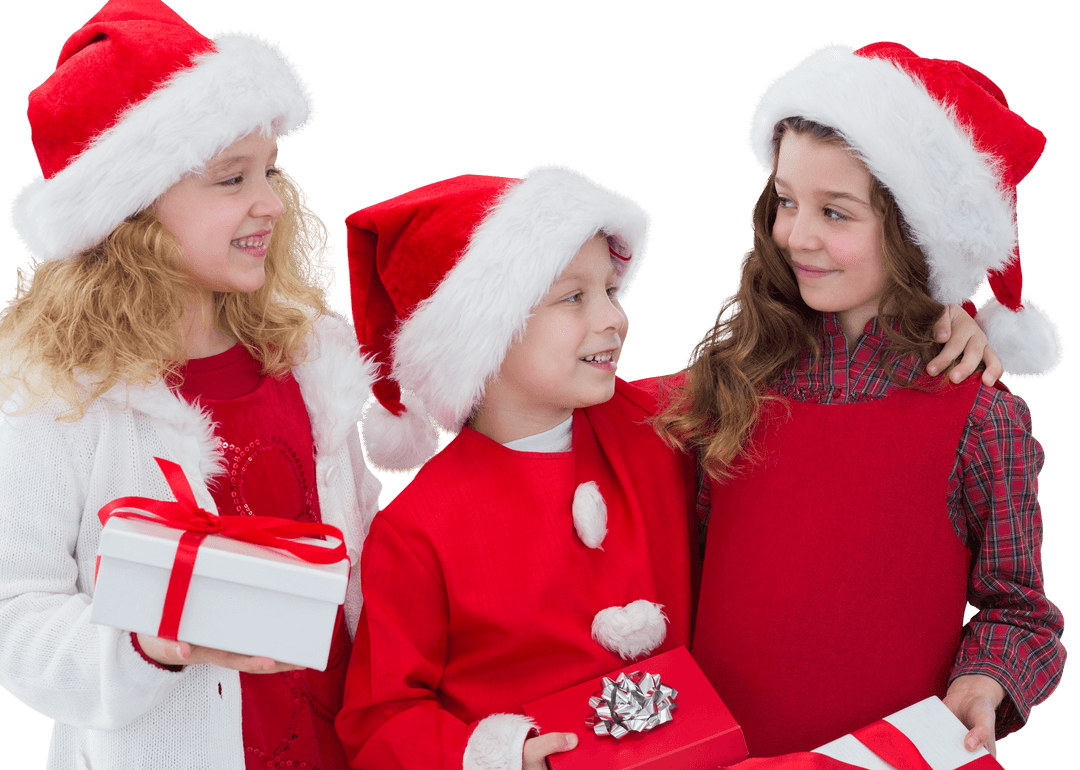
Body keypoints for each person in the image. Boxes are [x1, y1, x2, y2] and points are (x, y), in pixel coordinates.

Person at [656, 42, 1066, 759]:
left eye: (836, 213)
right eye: (786, 201)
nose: (797, 236)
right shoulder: (737, 376)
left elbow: (1021, 611)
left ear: (916, 233)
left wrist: (986, 679)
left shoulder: (981, 419)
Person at [0, 1, 380, 768]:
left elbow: (362, 562)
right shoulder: (55, 398)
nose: (270, 202)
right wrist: (153, 642)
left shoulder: (309, 356)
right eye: (230, 178)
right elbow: (17, 618)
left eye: (268, 171)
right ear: (129, 212)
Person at [334, 166, 699, 770]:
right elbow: (380, 720)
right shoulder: (418, 532)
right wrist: (500, 756)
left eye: (610, 290)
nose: (612, 318)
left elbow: (775, 382)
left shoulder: (663, 427)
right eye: (573, 297)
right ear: (486, 335)